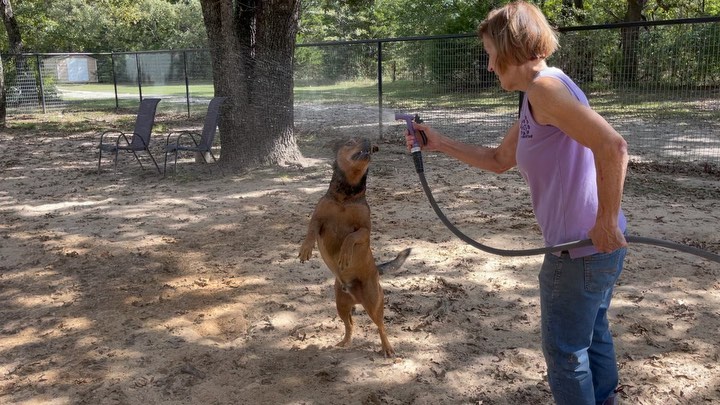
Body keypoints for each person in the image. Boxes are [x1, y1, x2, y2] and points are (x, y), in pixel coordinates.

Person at [404, 2, 628, 404]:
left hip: (578, 249)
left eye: (491, 55)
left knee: (566, 352)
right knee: (591, 337)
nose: (489, 67)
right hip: (593, 250)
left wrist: (606, 221)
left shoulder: (545, 90)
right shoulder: (537, 95)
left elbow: (613, 146)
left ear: (510, 48)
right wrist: (437, 143)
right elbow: (498, 160)